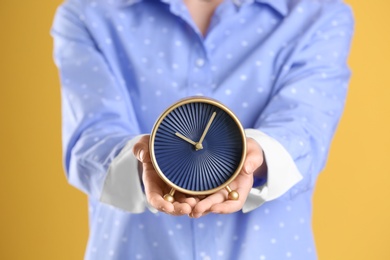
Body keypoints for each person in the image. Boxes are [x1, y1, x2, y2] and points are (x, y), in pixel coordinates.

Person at [51, 0, 354, 259]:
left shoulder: (317, 14)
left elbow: (305, 127)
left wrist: (254, 158)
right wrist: (144, 161)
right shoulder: (90, 13)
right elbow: (89, 141)